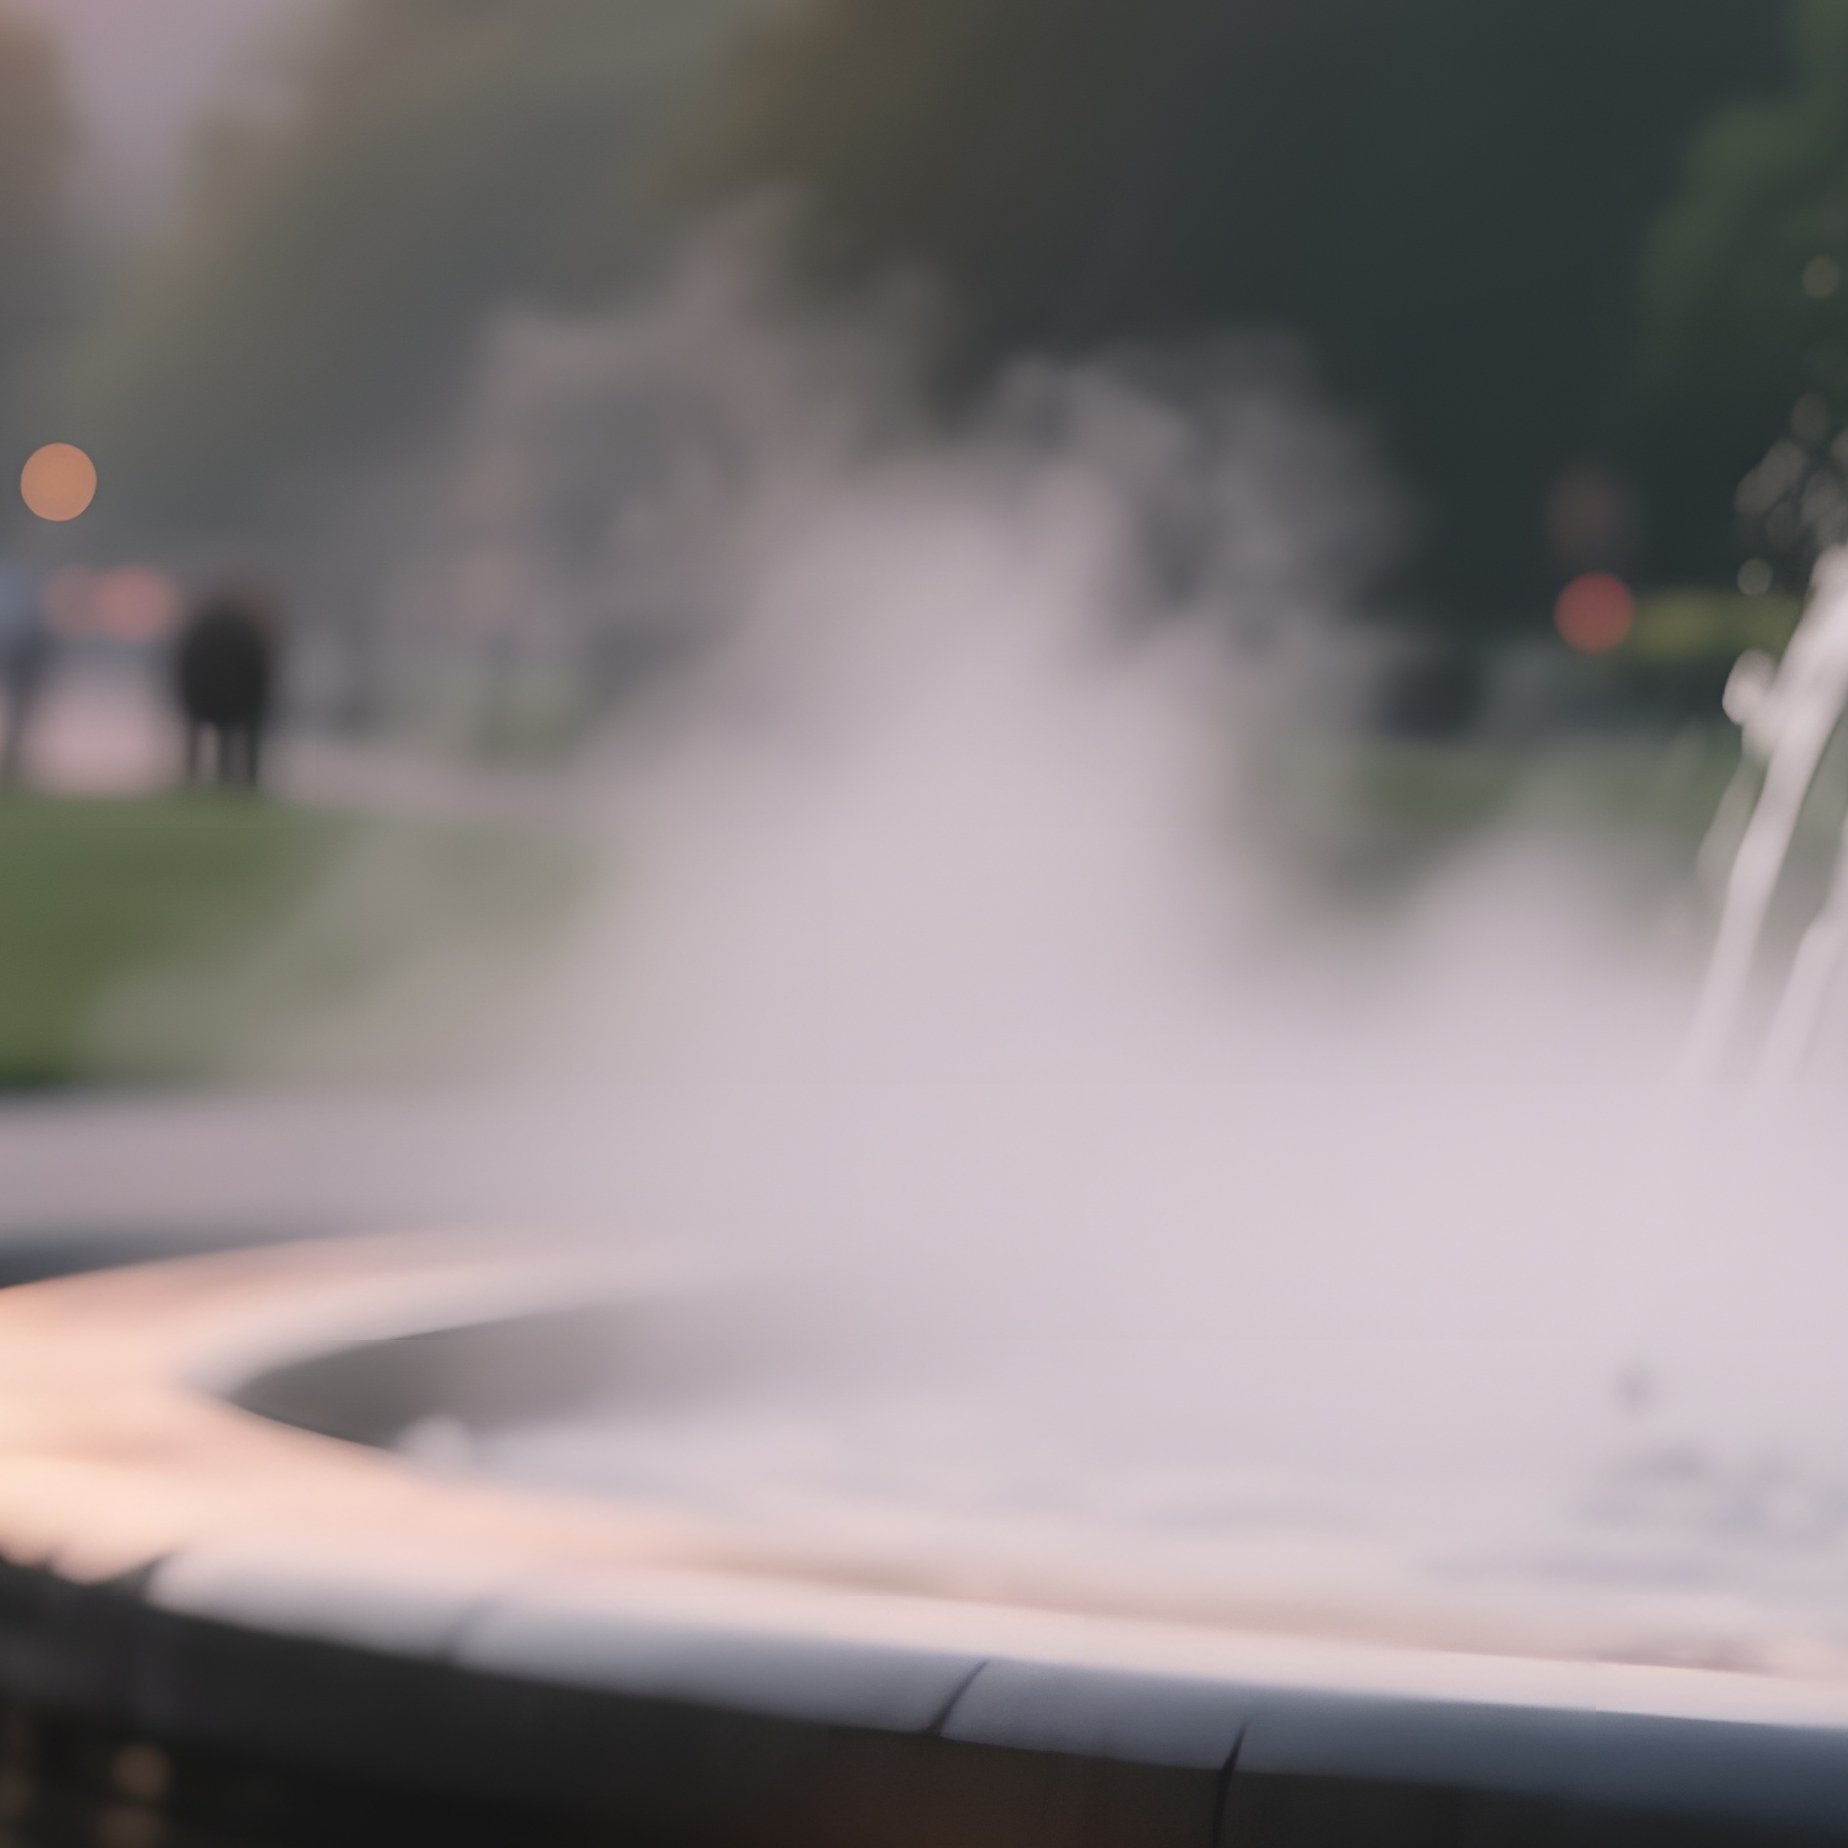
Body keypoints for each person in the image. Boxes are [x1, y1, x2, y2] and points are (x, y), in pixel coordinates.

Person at [173, 584, 280, 789]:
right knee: (244, 740)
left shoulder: (202, 631)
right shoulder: (250, 633)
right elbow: (261, 671)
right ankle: (247, 782)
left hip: (203, 697)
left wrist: (189, 698)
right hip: (242, 699)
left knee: (197, 738)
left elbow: (185, 665)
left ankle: (193, 779)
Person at [0, 566, 48, 787]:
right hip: (20, 655)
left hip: (23, 658)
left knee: (22, 715)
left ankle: (14, 764)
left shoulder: (24, 581)